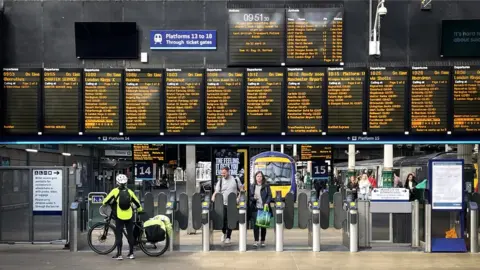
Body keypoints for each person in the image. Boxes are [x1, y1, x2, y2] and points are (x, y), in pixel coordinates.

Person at [103, 174, 143, 260]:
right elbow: (137, 203)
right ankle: (131, 254)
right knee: (130, 234)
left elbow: (106, 201)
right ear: (126, 182)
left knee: (119, 234)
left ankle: (119, 254)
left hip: (119, 216)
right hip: (129, 215)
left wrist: (104, 203)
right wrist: (139, 210)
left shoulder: (115, 191)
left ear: (117, 182)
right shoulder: (130, 192)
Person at [212, 167, 243, 244]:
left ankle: (228, 237)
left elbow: (242, 189)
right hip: (223, 203)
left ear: (228, 172)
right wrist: (213, 197)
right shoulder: (221, 181)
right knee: (223, 220)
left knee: (230, 220)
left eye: (224, 173)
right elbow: (216, 191)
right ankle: (224, 233)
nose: (223, 174)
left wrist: (239, 198)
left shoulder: (235, 179)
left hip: (232, 203)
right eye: (222, 173)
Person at [249, 171, 272, 247]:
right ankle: (256, 241)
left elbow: (269, 195)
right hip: (255, 208)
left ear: (262, 177)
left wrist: (267, 202)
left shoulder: (266, 186)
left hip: (263, 208)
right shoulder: (252, 186)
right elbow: (250, 197)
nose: (259, 178)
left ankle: (262, 240)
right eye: (258, 176)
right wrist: (253, 198)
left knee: (263, 226)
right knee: (255, 226)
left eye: (260, 176)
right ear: (255, 177)